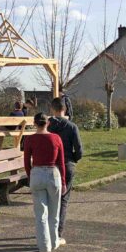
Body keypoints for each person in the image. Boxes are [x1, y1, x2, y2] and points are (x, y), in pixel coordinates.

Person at [23, 112, 66, 252]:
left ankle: (44, 247)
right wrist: (63, 181)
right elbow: (61, 162)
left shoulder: (29, 139)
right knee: (54, 213)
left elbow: (26, 162)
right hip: (53, 174)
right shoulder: (56, 138)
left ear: (34, 123)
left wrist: (30, 176)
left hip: (36, 174)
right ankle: (54, 242)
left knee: (40, 214)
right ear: (48, 123)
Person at [48, 97, 83, 244]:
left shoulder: (47, 125)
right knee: (63, 200)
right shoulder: (72, 127)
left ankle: (46, 230)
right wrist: (73, 159)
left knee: (49, 199)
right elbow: (79, 150)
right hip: (67, 164)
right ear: (66, 109)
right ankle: (57, 233)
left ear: (52, 109)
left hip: (50, 165)